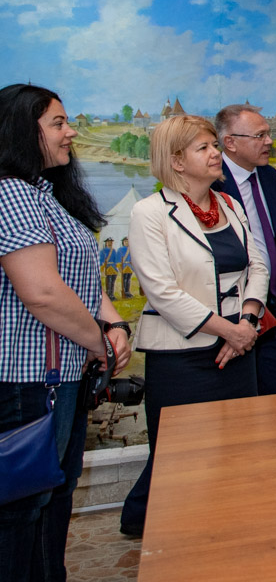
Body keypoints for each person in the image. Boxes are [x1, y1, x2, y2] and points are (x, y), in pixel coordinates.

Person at [0, 83, 131, 581]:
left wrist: (113, 323)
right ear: (21, 130)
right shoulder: (11, 192)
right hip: (25, 382)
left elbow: (79, 279)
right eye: (58, 123)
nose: (71, 131)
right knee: (21, 513)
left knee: (52, 501)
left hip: (59, 380)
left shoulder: (45, 193)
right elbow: (43, 292)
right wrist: (100, 343)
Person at [120, 115, 267, 537]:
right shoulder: (149, 213)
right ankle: (173, 540)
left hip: (238, 352)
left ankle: (227, 532)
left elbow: (257, 267)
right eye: (204, 148)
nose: (216, 153)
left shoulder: (230, 205)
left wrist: (248, 322)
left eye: (214, 145)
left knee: (236, 451)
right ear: (176, 161)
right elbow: (162, 292)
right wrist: (228, 330)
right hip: (181, 359)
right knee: (181, 461)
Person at [213, 104, 276, 394]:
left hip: (269, 314)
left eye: (268, 134)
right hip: (229, 319)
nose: (269, 141)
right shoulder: (212, 184)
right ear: (230, 142)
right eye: (260, 135)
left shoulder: (269, 177)